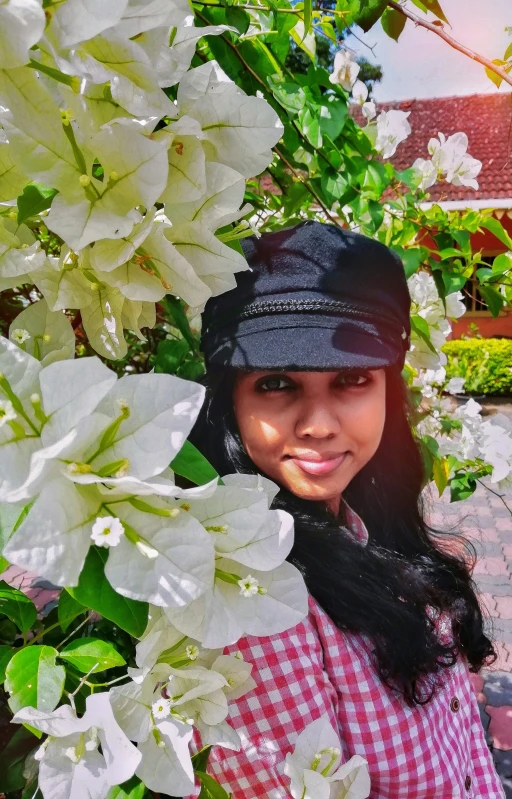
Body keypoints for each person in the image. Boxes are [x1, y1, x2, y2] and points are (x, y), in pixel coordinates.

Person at [188, 221, 504, 798]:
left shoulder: (363, 524)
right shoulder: (255, 605)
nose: (318, 424)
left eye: (352, 379)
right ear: (229, 399)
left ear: (388, 388)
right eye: (277, 382)